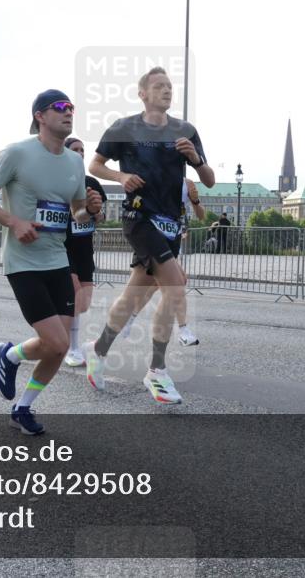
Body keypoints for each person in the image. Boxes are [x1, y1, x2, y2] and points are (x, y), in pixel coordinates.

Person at [0, 89, 102, 435]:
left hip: (57, 258)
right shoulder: (16, 153)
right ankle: (10, 356)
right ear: (40, 116)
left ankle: (22, 406)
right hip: (24, 262)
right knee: (58, 342)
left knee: (57, 349)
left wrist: (90, 208)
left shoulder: (75, 162)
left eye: (72, 107)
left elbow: (76, 213)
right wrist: (14, 221)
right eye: (60, 107)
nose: (68, 111)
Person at [83, 67, 215, 404]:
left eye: (170, 86)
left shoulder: (186, 131)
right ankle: (157, 371)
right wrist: (121, 175)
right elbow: (94, 165)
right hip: (139, 216)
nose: (167, 91)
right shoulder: (125, 127)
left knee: (133, 296)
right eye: (159, 86)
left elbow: (209, 179)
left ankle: (98, 350)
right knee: (175, 282)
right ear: (142, 93)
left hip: (171, 223)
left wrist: (196, 159)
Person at [121, 178, 205, 346]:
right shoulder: (151, 174)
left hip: (171, 240)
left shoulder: (187, 184)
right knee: (173, 283)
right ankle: (181, 331)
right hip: (151, 238)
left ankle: (128, 320)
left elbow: (201, 215)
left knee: (159, 286)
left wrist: (195, 201)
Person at [61, 137, 107, 367]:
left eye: (82, 150)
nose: (80, 153)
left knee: (84, 303)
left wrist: (96, 214)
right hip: (62, 247)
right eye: (75, 149)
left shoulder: (92, 183)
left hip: (84, 248)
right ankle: (72, 347)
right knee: (74, 295)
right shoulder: (58, 181)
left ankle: (58, 333)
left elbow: (101, 215)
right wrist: (85, 211)